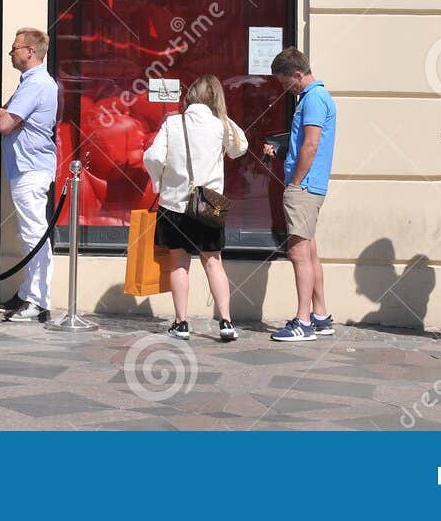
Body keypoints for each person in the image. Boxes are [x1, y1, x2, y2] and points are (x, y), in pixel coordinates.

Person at [143, 75, 249, 342]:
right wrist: (224, 118)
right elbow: (240, 148)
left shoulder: (172, 124)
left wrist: (160, 182)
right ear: (215, 98)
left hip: (175, 204)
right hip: (209, 206)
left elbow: (154, 156)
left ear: (188, 97)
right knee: (214, 263)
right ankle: (225, 321)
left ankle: (181, 323)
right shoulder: (220, 125)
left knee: (179, 264)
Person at [265, 47, 337, 343]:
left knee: (298, 253)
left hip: (304, 187)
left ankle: (303, 321)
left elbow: (311, 145)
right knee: (310, 251)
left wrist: (295, 183)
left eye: (285, 83)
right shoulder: (316, 98)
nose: (285, 89)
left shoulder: (314, 99)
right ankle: (319, 315)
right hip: (310, 185)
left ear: (297, 75)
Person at [0, 27, 59, 322]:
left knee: (34, 235)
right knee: (30, 233)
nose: (10, 52)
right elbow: (8, 116)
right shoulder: (31, 82)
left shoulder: (35, 84)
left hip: (31, 168)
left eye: (15, 47)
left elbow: (5, 123)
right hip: (28, 166)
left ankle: (38, 301)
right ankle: (28, 293)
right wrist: (3, 113)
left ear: (31, 51)